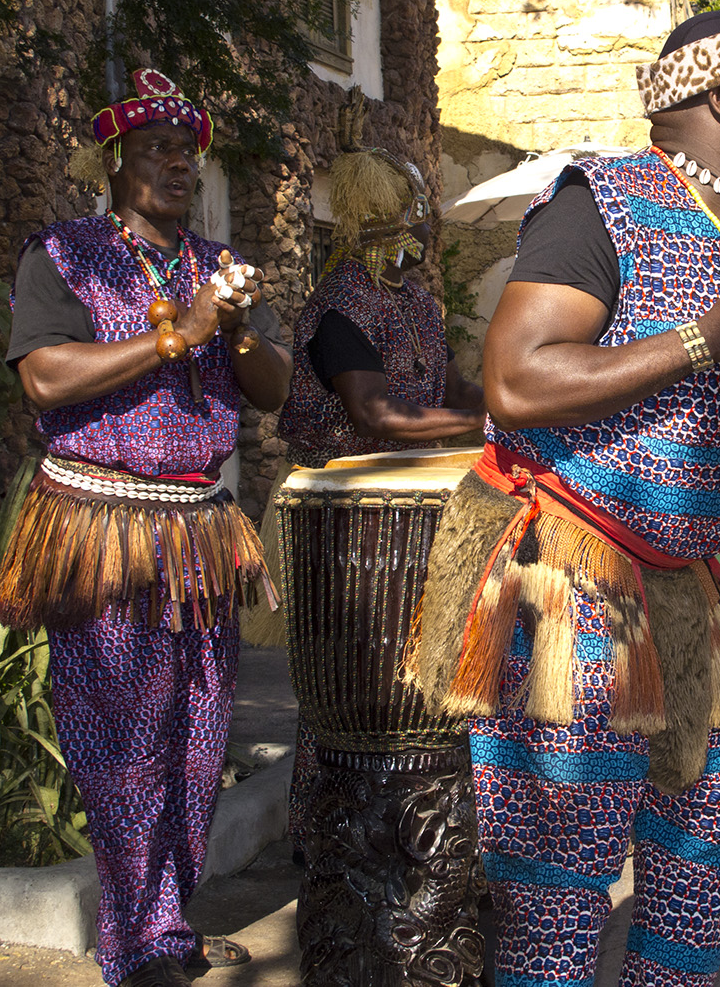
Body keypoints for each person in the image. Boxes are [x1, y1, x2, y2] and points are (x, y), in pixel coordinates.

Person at [406, 0, 720, 984]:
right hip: (571, 574)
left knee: (713, 841)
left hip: (684, 579)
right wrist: (708, 337)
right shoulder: (599, 199)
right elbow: (515, 378)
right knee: (559, 881)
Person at [0, 69, 292, 987]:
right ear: (114, 162)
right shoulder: (65, 254)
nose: (177, 165)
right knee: (119, 739)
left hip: (197, 532)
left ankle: (165, 922)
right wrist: (174, 334)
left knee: (197, 739)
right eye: (156, 150)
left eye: (187, 152)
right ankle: (131, 944)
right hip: (100, 526)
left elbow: (274, 391)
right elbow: (43, 377)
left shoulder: (216, 262)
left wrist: (233, 332)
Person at [273, 139, 488, 980]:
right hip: (345, 528)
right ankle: (332, 855)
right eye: (400, 210)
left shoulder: (418, 303)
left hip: (419, 520)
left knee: (427, 692)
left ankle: (433, 862)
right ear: (371, 220)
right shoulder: (338, 309)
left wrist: (510, 399)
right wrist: (491, 423)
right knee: (355, 693)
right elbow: (383, 411)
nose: (415, 224)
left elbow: (447, 392)